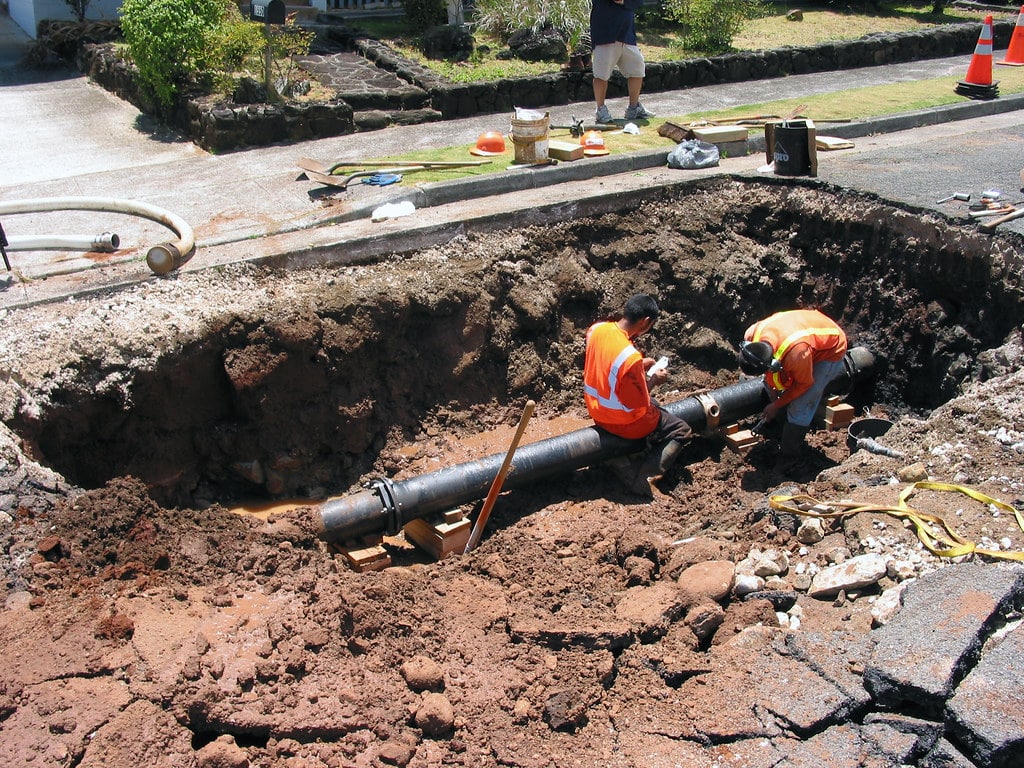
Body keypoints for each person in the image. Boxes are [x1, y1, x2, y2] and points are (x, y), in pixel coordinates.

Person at [584, 294, 692, 496]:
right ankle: (645, 476)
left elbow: (607, 363)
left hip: (596, 410)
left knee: (656, 406)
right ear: (646, 322)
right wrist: (653, 380)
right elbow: (638, 407)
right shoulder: (630, 356)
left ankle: (629, 453)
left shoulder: (597, 330)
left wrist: (636, 370)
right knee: (680, 429)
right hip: (621, 422)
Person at [738, 308, 848, 469]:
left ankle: (790, 458)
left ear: (773, 364)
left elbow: (804, 384)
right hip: (803, 328)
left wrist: (776, 405)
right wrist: (775, 398)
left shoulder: (796, 355)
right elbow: (770, 378)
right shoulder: (752, 334)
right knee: (771, 385)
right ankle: (782, 426)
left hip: (830, 348)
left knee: (801, 405)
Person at [589, 0, 655, 124]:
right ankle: (600, 110)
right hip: (606, 32)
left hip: (627, 33)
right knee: (601, 74)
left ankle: (634, 108)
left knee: (637, 70)